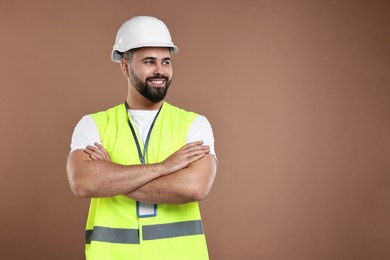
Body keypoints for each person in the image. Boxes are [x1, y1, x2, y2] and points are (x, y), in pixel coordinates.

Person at [66, 16, 217, 260]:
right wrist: (164, 168)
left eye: (165, 61)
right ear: (125, 67)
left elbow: (194, 187)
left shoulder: (194, 125)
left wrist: (109, 178)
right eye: (149, 61)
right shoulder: (93, 125)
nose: (160, 70)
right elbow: (83, 182)